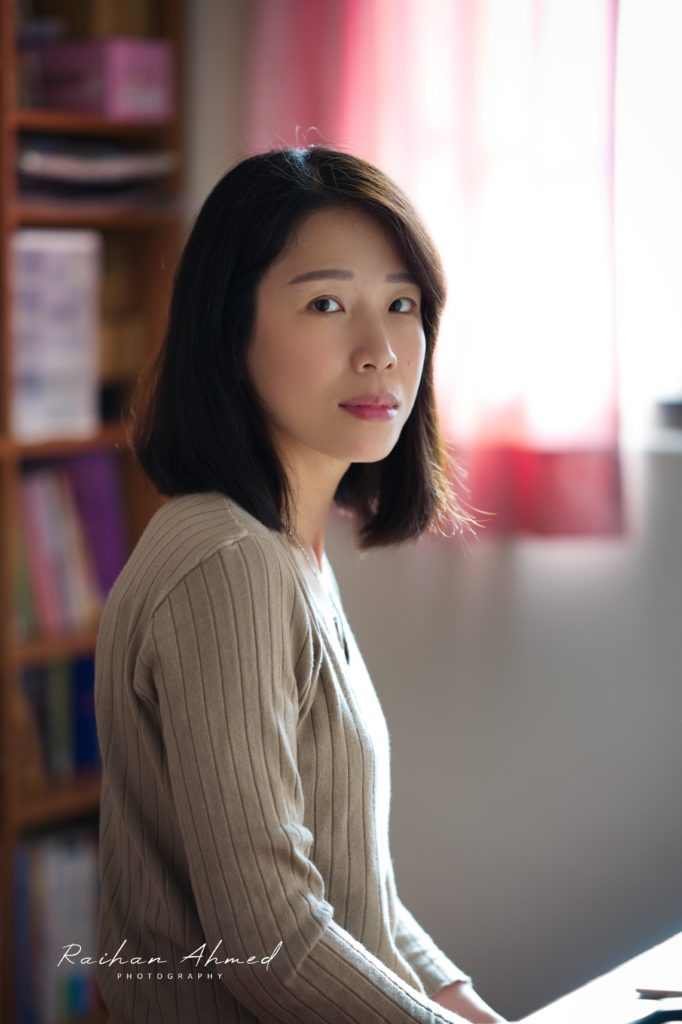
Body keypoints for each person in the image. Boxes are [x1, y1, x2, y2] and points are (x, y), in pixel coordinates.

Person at [94, 143, 506, 1024]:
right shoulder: (228, 562)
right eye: (326, 304)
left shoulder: (283, 548)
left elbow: (356, 893)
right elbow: (275, 941)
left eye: (401, 304)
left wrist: (468, 1010)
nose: (380, 351)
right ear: (229, 330)